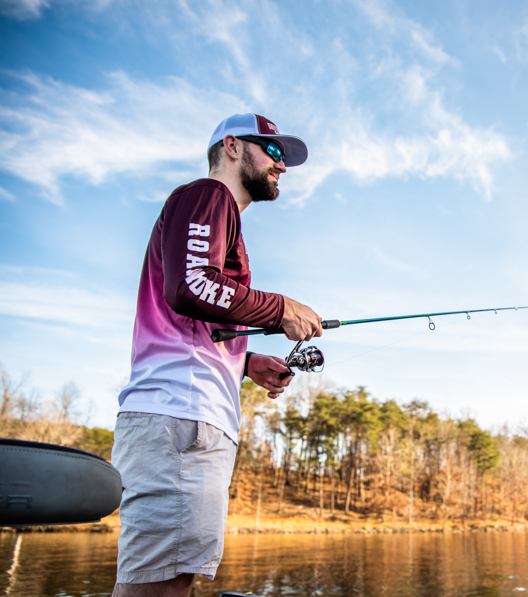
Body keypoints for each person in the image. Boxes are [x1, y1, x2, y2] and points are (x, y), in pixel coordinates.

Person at [111, 114, 322, 597]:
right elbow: (191, 286)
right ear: (231, 146)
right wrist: (281, 308)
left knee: (172, 583)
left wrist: (245, 362)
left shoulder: (215, 213)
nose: (282, 165)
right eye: (271, 151)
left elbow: (190, 312)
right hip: (181, 418)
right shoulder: (209, 196)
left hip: (185, 420)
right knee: (159, 589)